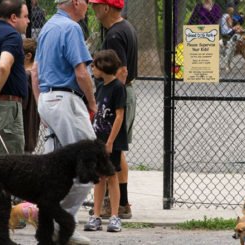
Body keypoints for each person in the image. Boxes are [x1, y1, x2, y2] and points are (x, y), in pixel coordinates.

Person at [31, 0, 98, 244]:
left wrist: (41, 104)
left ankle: (52, 224)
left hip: (48, 99)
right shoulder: (71, 28)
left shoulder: (48, 26)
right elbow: (81, 72)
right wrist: (92, 102)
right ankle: (62, 221)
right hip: (66, 100)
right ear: (77, 2)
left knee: (55, 170)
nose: (88, 7)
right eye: (87, 2)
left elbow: (36, 71)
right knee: (90, 163)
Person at [86, 0, 138, 220]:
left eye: (96, 5)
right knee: (118, 150)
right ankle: (122, 202)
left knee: (112, 150)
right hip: (126, 93)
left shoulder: (115, 35)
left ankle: (113, 203)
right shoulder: (126, 27)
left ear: (106, 8)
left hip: (118, 96)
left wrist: (107, 95)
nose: (93, 9)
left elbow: (121, 71)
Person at [84, 49, 127, 232]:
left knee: (111, 176)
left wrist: (110, 142)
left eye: (95, 65)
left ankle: (115, 216)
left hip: (111, 142)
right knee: (98, 178)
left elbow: (119, 116)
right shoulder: (101, 87)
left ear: (104, 66)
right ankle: (96, 215)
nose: (93, 68)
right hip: (98, 140)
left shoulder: (118, 87)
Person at [0, 0, 29, 156]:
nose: (28, 21)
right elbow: (4, 66)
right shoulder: (12, 35)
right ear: (13, 17)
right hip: (5, 108)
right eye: (25, 16)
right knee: (9, 167)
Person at [22, 38, 40, 153]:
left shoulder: (25, 75)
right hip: (32, 130)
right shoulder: (37, 74)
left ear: (28, 56)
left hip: (24, 125)